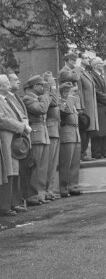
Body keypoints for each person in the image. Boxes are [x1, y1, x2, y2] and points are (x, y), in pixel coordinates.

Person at [0, 74, 32, 216]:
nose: (8, 85)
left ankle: (14, 202)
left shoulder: (7, 100)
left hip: (13, 140)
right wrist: (21, 126)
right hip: (5, 140)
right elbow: (2, 120)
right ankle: (5, 206)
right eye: (6, 83)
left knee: (14, 171)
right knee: (7, 172)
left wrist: (24, 124)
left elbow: (19, 114)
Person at [22, 75, 52, 204]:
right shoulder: (28, 98)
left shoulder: (38, 98)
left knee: (43, 166)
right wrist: (46, 94)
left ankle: (41, 193)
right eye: (41, 85)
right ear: (34, 87)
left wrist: (49, 92)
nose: (43, 87)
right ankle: (33, 195)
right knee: (36, 166)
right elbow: (41, 109)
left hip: (43, 134)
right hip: (36, 135)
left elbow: (52, 103)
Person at [58, 82, 82, 197]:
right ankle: (64, 188)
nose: (75, 94)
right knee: (66, 163)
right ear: (64, 93)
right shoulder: (61, 102)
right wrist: (68, 99)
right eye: (72, 92)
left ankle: (73, 186)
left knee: (75, 163)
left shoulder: (71, 103)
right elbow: (65, 112)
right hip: (67, 134)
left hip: (75, 133)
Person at [89, 57, 106, 158]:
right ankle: (97, 153)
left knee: (105, 131)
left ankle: (104, 151)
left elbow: (105, 90)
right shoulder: (92, 76)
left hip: (104, 107)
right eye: (101, 63)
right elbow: (96, 91)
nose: (103, 65)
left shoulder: (100, 76)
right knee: (98, 132)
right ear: (95, 65)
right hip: (98, 106)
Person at [78, 53, 99, 161]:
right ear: (80, 60)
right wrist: (81, 107)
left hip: (91, 105)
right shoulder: (79, 72)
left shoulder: (87, 72)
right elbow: (80, 91)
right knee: (84, 130)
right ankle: (82, 153)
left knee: (89, 130)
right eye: (86, 58)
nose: (88, 60)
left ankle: (84, 152)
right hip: (85, 106)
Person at [44, 72, 60, 200]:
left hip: (55, 130)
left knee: (53, 163)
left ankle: (50, 189)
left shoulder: (50, 94)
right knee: (49, 163)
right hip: (50, 130)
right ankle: (46, 190)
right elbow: (54, 102)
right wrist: (52, 86)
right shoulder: (47, 94)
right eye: (51, 82)